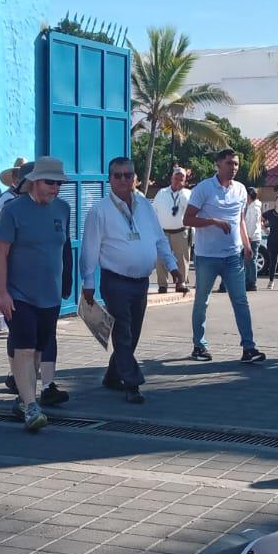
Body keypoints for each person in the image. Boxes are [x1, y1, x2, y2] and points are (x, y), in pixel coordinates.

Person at [81, 156, 185, 404]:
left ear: (136, 178)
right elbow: (89, 249)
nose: (124, 180)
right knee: (123, 331)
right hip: (115, 281)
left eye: (129, 175)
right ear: (109, 179)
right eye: (118, 175)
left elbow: (159, 240)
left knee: (133, 332)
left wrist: (173, 268)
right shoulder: (100, 211)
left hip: (141, 282)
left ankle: (113, 375)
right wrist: (88, 284)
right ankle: (133, 383)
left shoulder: (146, 207)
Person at [0, 156, 73, 432]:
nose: (56, 188)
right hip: (19, 295)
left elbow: (63, 249)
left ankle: (23, 398)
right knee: (24, 349)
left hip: (49, 296)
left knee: (39, 352)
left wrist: (67, 282)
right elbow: (0, 254)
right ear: (35, 182)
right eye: (50, 182)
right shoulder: (13, 211)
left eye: (59, 183)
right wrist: (2, 293)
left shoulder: (63, 209)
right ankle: (30, 407)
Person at [184, 148, 264, 363]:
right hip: (207, 257)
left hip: (232, 257)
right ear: (218, 164)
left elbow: (239, 220)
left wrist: (247, 246)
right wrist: (212, 221)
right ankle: (199, 346)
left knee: (241, 301)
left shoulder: (240, 190)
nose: (234, 167)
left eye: (236, 164)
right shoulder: (203, 189)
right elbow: (188, 219)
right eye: (229, 163)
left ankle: (249, 348)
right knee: (202, 301)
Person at [153, 167, 192, 292]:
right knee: (161, 259)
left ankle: (181, 283)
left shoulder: (187, 194)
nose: (178, 181)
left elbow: (191, 211)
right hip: (163, 232)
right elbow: (154, 211)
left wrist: (182, 195)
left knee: (182, 259)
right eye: (176, 178)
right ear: (171, 178)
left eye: (181, 179)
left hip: (180, 231)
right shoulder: (162, 192)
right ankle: (162, 284)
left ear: (185, 181)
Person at [243, 187, 263, 291]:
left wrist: (249, 237)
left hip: (253, 238)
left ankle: (252, 283)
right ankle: (248, 281)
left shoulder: (255, 208)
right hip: (249, 237)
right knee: (247, 261)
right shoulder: (250, 206)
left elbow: (254, 224)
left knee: (251, 260)